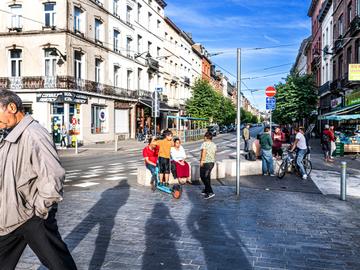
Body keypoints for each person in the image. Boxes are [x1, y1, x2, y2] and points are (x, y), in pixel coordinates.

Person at [0, 90, 77, 270]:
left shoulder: (34, 134)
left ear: (11, 107)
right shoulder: (8, 134)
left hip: (32, 217)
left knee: (59, 264)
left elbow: (53, 174)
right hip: (9, 219)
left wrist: (40, 210)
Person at [200, 131, 217, 199]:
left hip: (206, 162)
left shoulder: (205, 144)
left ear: (206, 137)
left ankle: (210, 192)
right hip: (211, 163)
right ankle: (206, 190)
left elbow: (203, 152)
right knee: (206, 177)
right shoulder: (214, 144)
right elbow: (214, 153)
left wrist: (202, 161)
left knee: (203, 177)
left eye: (204, 136)